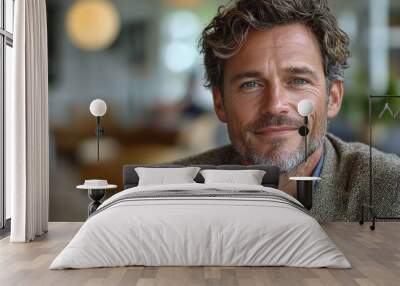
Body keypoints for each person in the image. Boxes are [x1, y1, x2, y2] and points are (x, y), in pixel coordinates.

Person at [173, 0, 400, 222]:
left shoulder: (390, 190)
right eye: (250, 84)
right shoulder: (172, 195)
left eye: (299, 81)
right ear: (220, 103)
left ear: (333, 97)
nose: (275, 105)